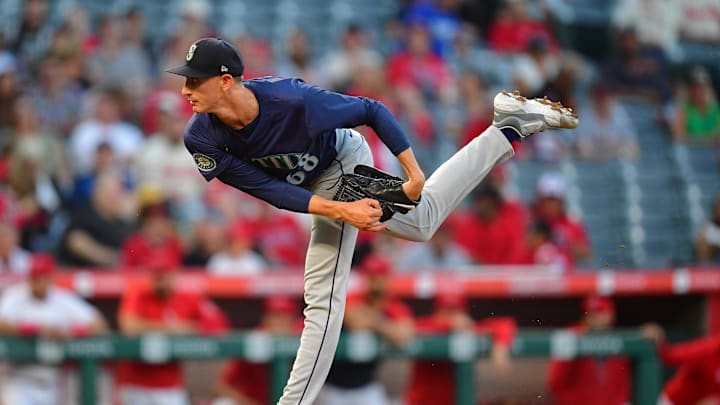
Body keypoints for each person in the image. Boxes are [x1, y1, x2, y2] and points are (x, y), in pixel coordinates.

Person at [165, 37, 578, 404]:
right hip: (319, 189)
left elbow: (371, 110)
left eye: (194, 81)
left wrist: (414, 172)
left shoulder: (290, 100)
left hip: (343, 159)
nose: (185, 89)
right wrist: (342, 210)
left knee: (324, 299)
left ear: (225, 81)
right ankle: (506, 128)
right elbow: (270, 190)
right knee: (424, 221)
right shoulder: (201, 137)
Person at [116, 251, 229, 405]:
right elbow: (128, 326)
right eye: (157, 275)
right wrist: (171, 329)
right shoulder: (138, 293)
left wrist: (191, 328)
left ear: (174, 274)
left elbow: (218, 324)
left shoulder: (187, 297)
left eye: (165, 275)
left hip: (170, 385)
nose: (161, 280)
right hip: (136, 383)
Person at [0, 253, 108, 405]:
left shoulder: (62, 298)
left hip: (53, 380)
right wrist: (35, 329)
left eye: (42, 276)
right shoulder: (15, 296)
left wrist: (72, 332)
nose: (38, 281)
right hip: (19, 377)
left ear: (50, 277)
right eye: (34, 276)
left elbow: (100, 325)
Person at [317, 254, 415, 405]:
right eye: (371, 276)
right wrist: (384, 325)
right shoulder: (353, 298)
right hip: (333, 385)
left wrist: (374, 322)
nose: (375, 282)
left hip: (367, 385)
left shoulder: (393, 306)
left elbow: (402, 336)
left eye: (380, 276)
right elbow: (357, 323)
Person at [405, 290, 516, 405]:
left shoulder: (465, 330)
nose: (452, 316)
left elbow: (506, 324)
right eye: (447, 311)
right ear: (437, 311)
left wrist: (501, 344)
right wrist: (448, 325)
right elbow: (412, 329)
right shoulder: (426, 326)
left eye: (456, 311)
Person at [213, 296, 303, 405]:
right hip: (255, 401)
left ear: (293, 318)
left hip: (295, 401)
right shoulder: (255, 339)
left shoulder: (305, 334)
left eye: (285, 315)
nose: (280, 322)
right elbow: (222, 386)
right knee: (223, 403)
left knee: (324, 395)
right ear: (265, 318)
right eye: (275, 315)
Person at [547, 295, 631, 405]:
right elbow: (556, 383)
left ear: (611, 315)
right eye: (590, 313)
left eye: (600, 312)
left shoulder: (621, 341)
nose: (594, 317)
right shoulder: (572, 337)